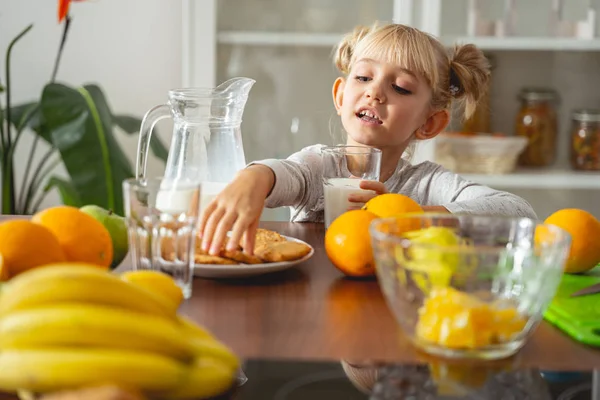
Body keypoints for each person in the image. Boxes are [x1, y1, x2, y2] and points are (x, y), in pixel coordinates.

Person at [199, 22, 537, 256]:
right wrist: (255, 176)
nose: (375, 92)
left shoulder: (428, 183)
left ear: (430, 123)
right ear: (341, 95)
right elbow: (288, 172)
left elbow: (519, 214)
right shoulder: (322, 166)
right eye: (363, 77)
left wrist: (412, 217)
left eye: (400, 87)